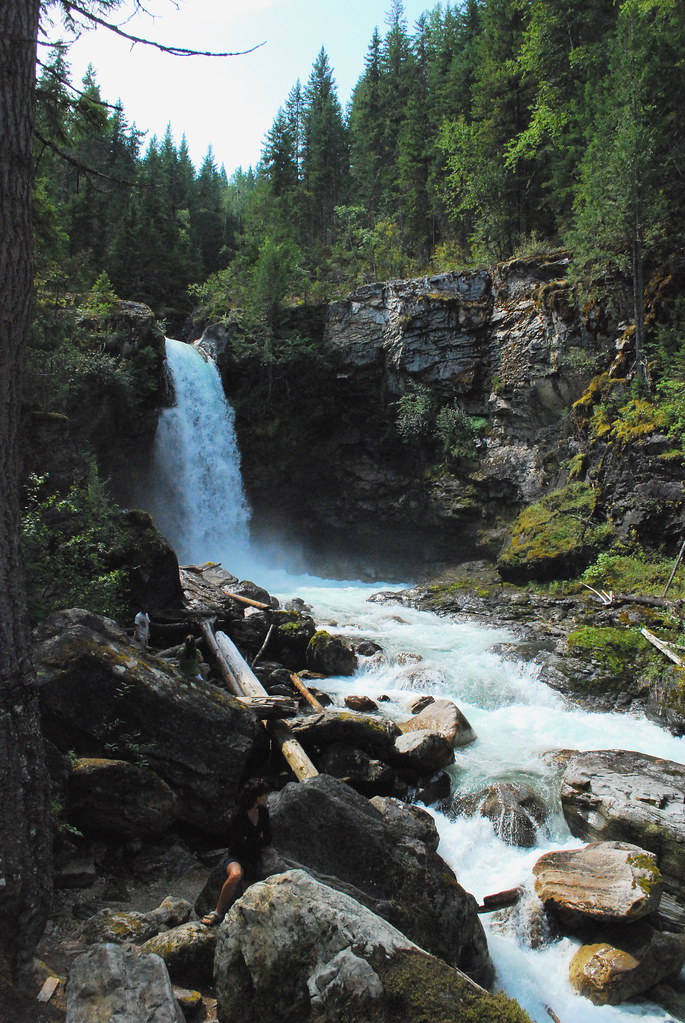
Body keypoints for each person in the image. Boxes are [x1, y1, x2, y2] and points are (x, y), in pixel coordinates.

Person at [201, 779, 272, 926]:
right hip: (236, 856)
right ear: (256, 797)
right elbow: (238, 841)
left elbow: (268, 838)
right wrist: (257, 839)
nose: (266, 797)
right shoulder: (238, 814)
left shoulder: (263, 813)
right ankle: (217, 911)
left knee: (249, 894)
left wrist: (251, 839)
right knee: (236, 875)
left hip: (254, 859)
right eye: (264, 795)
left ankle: (241, 921)